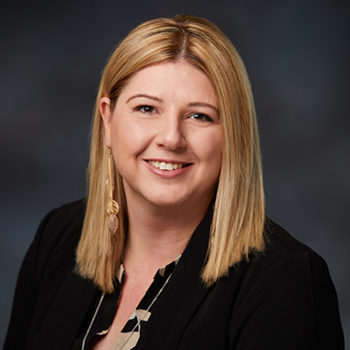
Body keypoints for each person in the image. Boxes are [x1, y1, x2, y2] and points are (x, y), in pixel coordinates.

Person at [4, 15, 344, 350]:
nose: (171, 138)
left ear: (233, 136)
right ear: (107, 119)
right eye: (147, 109)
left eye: (199, 116)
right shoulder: (59, 238)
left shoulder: (285, 281)